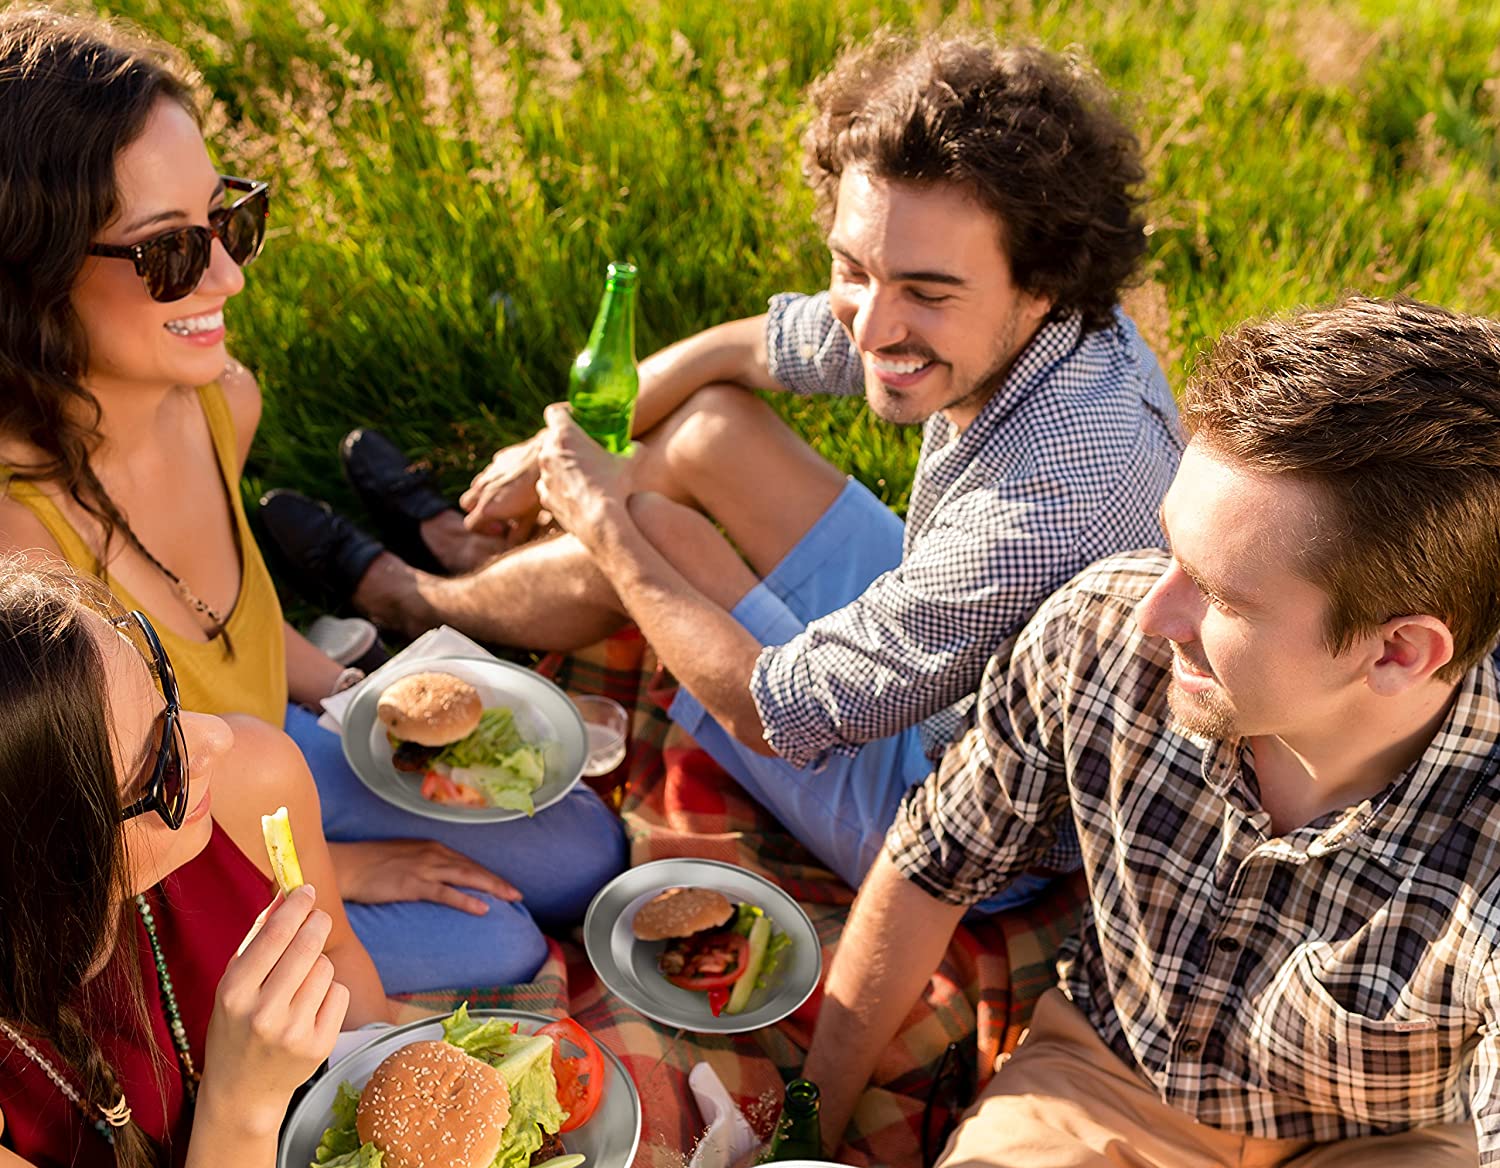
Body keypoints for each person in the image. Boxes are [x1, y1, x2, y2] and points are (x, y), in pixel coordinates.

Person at [798, 296, 1500, 1168]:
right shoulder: (1102, 629)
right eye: (1170, 545)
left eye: (1222, 596)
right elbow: (935, 862)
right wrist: (804, 1126)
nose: (1152, 608)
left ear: (1399, 652)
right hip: (1103, 1087)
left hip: (1376, 1154)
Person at [264, 31, 1181, 893]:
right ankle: (474, 557)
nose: (874, 321)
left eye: (925, 293)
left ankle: (405, 596)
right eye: (854, 268)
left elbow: (774, 712)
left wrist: (608, 527)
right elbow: (746, 352)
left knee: (657, 540)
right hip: (959, 649)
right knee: (708, 430)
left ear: (1042, 280)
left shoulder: (1053, 498)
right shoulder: (1036, 322)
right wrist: (552, 449)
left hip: (957, 822)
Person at [0, 5, 625, 996]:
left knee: (588, 851)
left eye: (229, 218)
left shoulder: (216, 398)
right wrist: (338, 875)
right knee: (508, 942)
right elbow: (97, 866)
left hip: (275, 766)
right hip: (172, 866)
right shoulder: (21, 564)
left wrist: (350, 698)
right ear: (30, 273)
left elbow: (226, 618)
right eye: (169, 251)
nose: (229, 274)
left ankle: (371, 602)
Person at [0, 556, 655, 1168]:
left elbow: (347, 972)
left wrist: (404, 1091)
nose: (218, 739)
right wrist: (241, 1097)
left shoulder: (248, 779)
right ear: (55, 871)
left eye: (169, 694)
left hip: (264, 1138)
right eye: (164, 765)